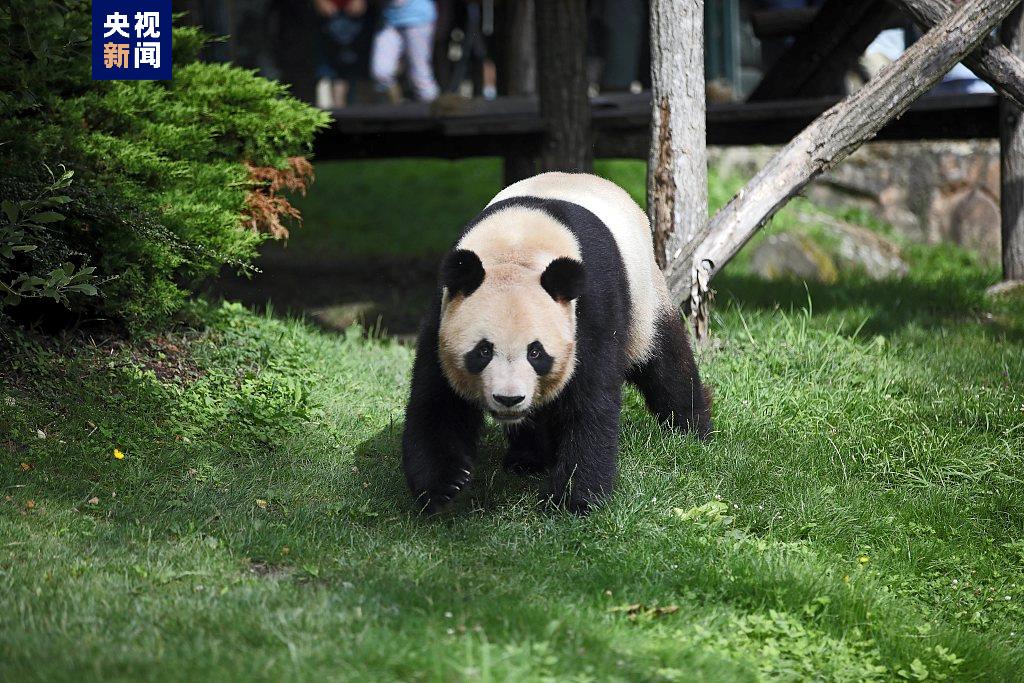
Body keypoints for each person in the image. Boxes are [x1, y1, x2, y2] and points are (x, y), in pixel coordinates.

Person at [371, 0, 441, 102]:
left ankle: (434, 110)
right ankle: (398, 107)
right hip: (390, 20)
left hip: (418, 18)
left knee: (420, 74)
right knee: (381, 72)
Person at [313, 0, 369, 108]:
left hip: (355, 15)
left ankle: (349, 108)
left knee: (354, 65)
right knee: (327, 69)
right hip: (327, 14)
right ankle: (334, 108)